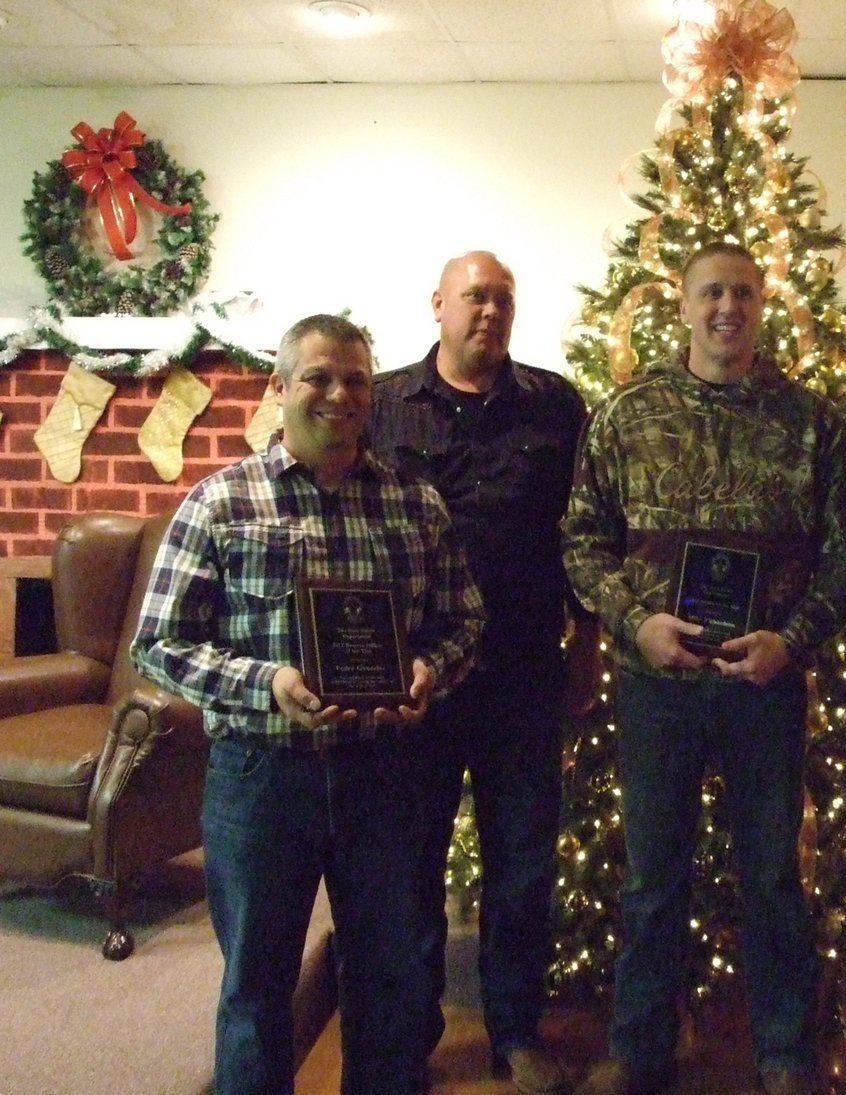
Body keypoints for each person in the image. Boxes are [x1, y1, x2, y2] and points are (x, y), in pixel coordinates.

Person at [130, 313, 485, 1095]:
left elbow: (465, 619)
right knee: (257, 985)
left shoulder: (414, 503)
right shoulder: (219, 503)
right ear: (280, 387)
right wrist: (268, 684)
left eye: (355, 379)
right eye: (319, 376)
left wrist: (428, 669)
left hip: (386, 777)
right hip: (262, 779)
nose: (339, 394)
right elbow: (157, 643)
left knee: (390, 977)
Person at [561, 241, 846, 1095]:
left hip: (761, 686)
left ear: (760, 303)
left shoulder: (811, 423)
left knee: (773, 876)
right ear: (685, 303)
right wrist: (635, 622)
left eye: (742, 291)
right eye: (711, 292)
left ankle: (783, 1054)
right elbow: (582, 542)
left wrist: (794, 639)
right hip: (656, 683)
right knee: (652, 880)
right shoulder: (627, 414)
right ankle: (639, 1050)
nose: (727, 307)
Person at [368, 251, 599, 1095]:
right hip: (417, 678)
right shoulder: (384, 402)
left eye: (503, 298)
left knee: (522, 863)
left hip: (525, 674)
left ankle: (516, 1034)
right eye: (475, 296)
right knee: (410, 861)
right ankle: (414, 1036)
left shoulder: (556, 405)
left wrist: (591, 641)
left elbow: (586, 529)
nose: (490, 311)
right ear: (438, 305)